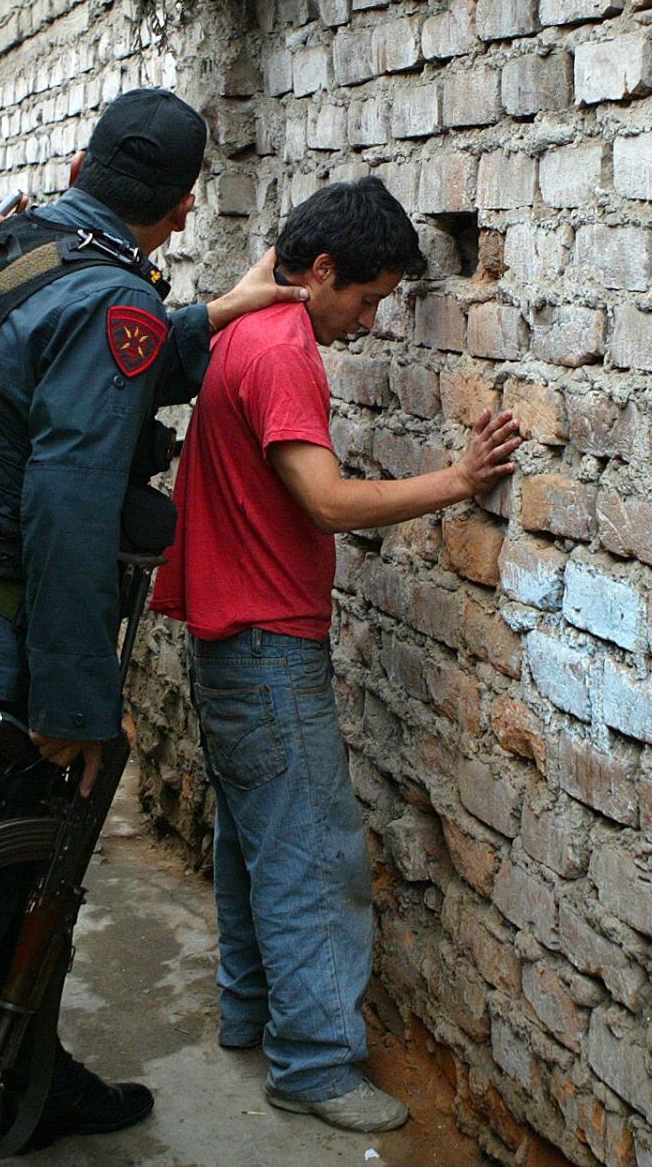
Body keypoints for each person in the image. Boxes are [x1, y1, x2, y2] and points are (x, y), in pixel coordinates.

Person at [0, 88, 309, 1167]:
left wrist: (209, 316)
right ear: (187, 202)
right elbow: (65, 510)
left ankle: (35, 1075)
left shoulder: (17, 242)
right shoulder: (112, 302)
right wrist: (76, 701)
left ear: (84, 162)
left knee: (20, 873)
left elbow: (60, 367)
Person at [149, 179, 523, 1135]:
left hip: (229, 632)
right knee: (315, 856)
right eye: (365, 299)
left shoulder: (248, 318)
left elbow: (269, 265)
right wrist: (459, 478)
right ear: (319, 273)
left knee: (253, 837)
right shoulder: (282, 354)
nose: (365, 322)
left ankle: (248, 1010)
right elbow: (324, 500)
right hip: (268, 640)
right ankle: (314, 1062)